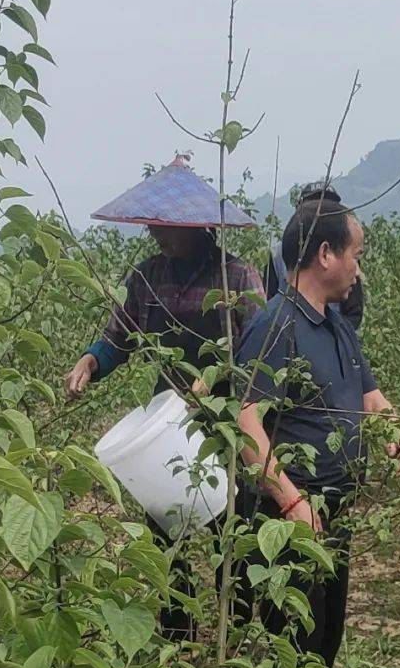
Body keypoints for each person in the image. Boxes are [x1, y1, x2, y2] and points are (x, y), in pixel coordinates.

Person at [65, 156, 264, 640]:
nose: (156, 235)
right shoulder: (148, 276)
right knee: (163, 518)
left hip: (225, 412)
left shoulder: (236, 277)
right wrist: (91, 362)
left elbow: (262, 348)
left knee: (230, 516)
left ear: (196, 228)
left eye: (165, 227)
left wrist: (214, 379)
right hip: (166, 415)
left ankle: (230, 625)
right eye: (153, 226)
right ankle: (175, 624)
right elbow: (120, 336)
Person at [236, 198, 400, 668]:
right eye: (356, 253)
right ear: (326, 254)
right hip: (293, 513)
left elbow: (370, 396)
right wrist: (289, 501)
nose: (359, 267)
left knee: (325, 638)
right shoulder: (276, 325)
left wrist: (393, 433)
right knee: (294, 640)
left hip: (335, 510)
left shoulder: (335, 325)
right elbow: (247, 421)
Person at [264, 182, 364, 329]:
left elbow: (353, 311)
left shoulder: (345, 255)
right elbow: (270, 301)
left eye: (328, 207)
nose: (320, 212)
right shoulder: (278, 255)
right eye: (314, 207)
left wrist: (334, 337)